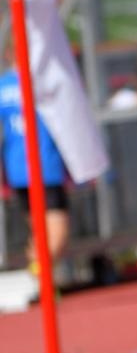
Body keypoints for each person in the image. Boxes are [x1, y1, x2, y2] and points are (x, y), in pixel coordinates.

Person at [0, 43, 70, 278]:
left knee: (42, 233)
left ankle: (42, 277)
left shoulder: (4, 86)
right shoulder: (40, 82)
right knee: (55, 231)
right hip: (42, 165)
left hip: (20, 168)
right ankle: (40, 274)